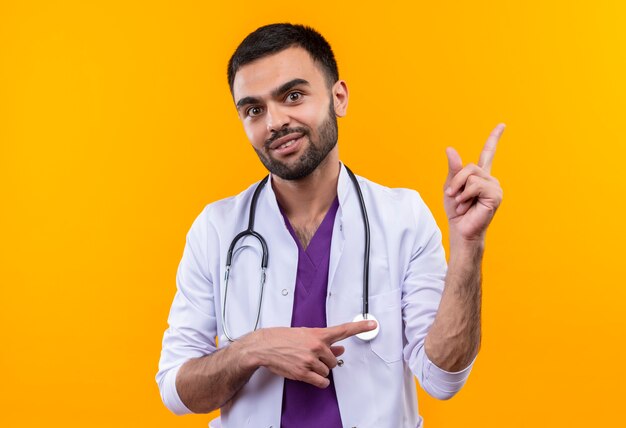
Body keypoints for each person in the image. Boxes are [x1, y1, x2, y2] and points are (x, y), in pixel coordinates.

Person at [156, 23, 504, 428]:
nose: (274, 122)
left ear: (338, 98)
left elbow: (441, 378)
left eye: (293, 96)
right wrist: (254, 348)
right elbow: (176, 391)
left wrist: (468, 246)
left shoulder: (402, 217)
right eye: (254, 109)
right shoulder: (216, 230)